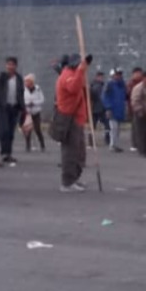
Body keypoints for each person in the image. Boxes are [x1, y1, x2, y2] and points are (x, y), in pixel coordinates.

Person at [56, 54, 92, 192]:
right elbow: (73, 87)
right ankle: (67, 181)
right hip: (68, 119)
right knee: (70, 152)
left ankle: (74, 178)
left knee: (79, 152)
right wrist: (80, 71)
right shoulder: (67, 75)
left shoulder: (74, 74)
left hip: (77, 119)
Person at [0, 57, 25, 164]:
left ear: (15, 66)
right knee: (4, 131)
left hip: (15, 107)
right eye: (8, 64)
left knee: (11, 132)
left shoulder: (18, 78)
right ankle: (4, 152)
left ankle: (8, 153)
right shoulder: (2, 77)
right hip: (4, 107)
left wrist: (22, 107)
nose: (10, 67)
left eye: (12, 64)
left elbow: (21, 93)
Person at [130, 71, 146, 158]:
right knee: (141, 133)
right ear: (144, 78)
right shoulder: (139, 88)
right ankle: (142, 150)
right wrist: (139, 110)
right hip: (141, 113)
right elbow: (135, 100)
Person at [103, 69, 128, 153]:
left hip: (119, 109)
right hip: (112, 109)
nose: (118, 76)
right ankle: (112, 144)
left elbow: (124, 97)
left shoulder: (122, 85)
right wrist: (108, 108)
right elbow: (105, 97)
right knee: (113, 128)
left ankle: (115, 144)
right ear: (113, 75)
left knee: (118, 129)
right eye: (117, 74)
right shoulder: (109, 84)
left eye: (120, 74)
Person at [23, 73, 46, 153]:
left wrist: (34, 103)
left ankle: (42, 145)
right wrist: (27, 104)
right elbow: (22, 101)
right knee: (27, 129)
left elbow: (42, 100)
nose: (26, 83)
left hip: (36, 112)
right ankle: (28, 145)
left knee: (37, 129)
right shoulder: (23, 90)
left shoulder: (38, 89)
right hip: (27, 112)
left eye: (28, 81)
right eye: (25, 81)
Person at [90, 71, 108, 145]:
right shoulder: (96, 86)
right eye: (100, 77)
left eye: (102, 77)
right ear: (97, 77)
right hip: (97, 108)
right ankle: (91, 141)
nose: (101, 78)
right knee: (95, 124)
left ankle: (107, 139)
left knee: (106, 124)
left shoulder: (101, 86)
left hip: (100, 108)